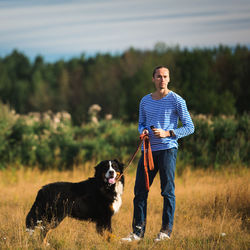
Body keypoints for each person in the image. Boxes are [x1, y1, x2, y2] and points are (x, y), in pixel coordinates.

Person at [122, 66, 194, 242]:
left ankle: (165, 232)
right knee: (139, 192)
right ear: (153, 79)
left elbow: (190, 127)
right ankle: (137, 233)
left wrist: (168, 133)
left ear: (169, 79)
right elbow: (141, 123)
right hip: (147, 152)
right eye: (158, 76)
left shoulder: (177, 100)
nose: (162, 79)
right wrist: (143, 131)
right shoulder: (145, 101)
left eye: (165, 76)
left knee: (167, 192)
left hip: (168, 150)